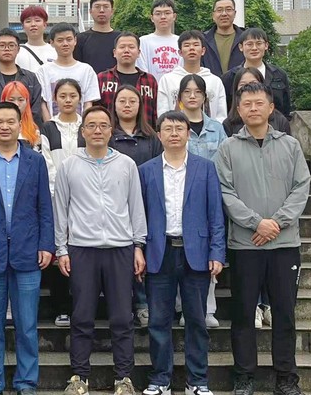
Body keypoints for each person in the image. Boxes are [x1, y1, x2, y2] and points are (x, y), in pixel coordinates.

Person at [216, 82, 310, 395]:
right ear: (238, 109)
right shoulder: (228, 148)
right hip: (246, 245)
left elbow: (301, 187)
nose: (253, 108)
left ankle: (286, 378)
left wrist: (277, 223)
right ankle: (244, 377)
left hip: (285, 245)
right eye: (247, 104)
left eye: (259, 103)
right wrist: (256, 222)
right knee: (243, 314)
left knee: (284, 314)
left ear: (271, 108)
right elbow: (225, 192)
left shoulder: (290, 145)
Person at [55, 105, 146, 395]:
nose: (97, 130)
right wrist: (61, 249)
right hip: (82, 248)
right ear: (83, 131)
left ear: (111, 131)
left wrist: (138, 245)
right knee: (82, 316)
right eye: (91, 125)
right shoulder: (69, 165)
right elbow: (61, 210)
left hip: (120, 248)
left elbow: (136, 207)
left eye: (103, 125)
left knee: (122, 317)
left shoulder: (126, 164)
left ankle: (124, 378)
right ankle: (79, 377)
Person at [0, 102, 54, 395]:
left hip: (27, 253)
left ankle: (26, 381)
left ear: (20, 124)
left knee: (27, 324)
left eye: (10, 121)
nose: (4, 126)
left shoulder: (35, 161)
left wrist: (46, 244)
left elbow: (44, 207)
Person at [138, 111, 226, 395]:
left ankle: (197, 381)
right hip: (159, 251)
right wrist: (138, 249)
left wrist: (217, 252)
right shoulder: (146, 170)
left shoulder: (206, 168)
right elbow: (139, 215)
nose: (174, 133)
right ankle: (160, 379)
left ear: (189, 133)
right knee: (158, 321)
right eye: (168, 129)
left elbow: (216, 214)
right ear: (159, 135)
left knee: (197, 321)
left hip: (196, 253)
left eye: (179, 128)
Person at [174, 74, 226, 329]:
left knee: (207, 254)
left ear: (205, 97)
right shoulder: (175, 126)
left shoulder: (217, 128)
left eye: (197, 92)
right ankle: (184, 308)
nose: (192, 96)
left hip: (209, 196)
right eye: (187, 91)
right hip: (178, 196)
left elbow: (224, 163)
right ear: (180, 97)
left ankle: (207, 308)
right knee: (180, 255)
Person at [108, 85, 163, 328]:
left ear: (141, 105)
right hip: (115, 204)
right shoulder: (109, 135)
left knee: (143, 253)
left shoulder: (151, 137)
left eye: (132, 100)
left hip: (147, 202)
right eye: (122, 101)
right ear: (114, 105)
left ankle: (143, 305)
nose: (127, 105)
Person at [40, 79, 85, 328]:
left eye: (72, 95)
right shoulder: (48, 128)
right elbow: (47, 163)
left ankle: (81, 306)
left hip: (85, 199)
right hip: (55, 196)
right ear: (55, 99)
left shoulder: (86, 126)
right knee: (60, 251)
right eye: (63, 96)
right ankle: (61, 308)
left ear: (80, 98)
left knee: (80, 253)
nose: (68, 100)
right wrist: (60, 192)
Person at [0, 28, 43, 127]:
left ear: (18, 49)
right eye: (2, 45)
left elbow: (36, 111)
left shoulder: (31, 78)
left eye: (11, 45)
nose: (7, 49)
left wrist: (19, 128)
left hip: (26, 132)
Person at [157, 30, 227, 123]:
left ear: (203, 51)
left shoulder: (215, 81)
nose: (191, 48)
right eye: (187, 45)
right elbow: (162, 112)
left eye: (196, 45)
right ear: (180, 52)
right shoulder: (167, 80)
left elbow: (221, 115)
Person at [36, 23, 101, 122]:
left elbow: (88, 103)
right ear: (52, 43)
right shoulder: (43, 71)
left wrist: (83, 125)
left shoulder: (87, 70)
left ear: (75, 41)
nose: (65, 44)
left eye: (69, 39)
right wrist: (49, 127)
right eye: (60, 40)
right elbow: (43, 104)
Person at [221, 28, 291, 118]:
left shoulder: (279, 75)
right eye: (249, 44)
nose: (254, 48)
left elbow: (286, 109)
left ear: (266, 46)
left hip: (275, 124)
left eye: (259, 43)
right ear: (241, 47)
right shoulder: (229, 77)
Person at [97, 31, 158, 128]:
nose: (126, 51)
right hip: (110, 134)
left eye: (131, 47)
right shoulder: (102, 79)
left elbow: (155, 113)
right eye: (122, 47)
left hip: (144, 134)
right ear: (114, 53)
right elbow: (96, 110)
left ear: (138, 53)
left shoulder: (150, 80)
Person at [222, 67, 290, 138]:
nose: (248, 88)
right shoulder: (228, 124)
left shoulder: (280, 120)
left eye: (253, 83)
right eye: (243, 85)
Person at [74, 0, 121, 73]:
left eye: (106, 7)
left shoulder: (121, 38)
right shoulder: (80, 39)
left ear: (112, 11)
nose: (101, 10)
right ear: (90, 11)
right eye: (97, 7)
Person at [137, 0, 181, 82]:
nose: (163, 17)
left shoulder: (181, 41)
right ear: (152, 18)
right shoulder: (143, 41)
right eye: (158, 14)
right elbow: (141, 69)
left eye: (167, 13)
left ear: (174, 16)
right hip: (151, 87)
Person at [201, 0, 245, 77]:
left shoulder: (245, 38)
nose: (224, 14)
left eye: (228, 9)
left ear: (235, 13)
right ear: (213, 15)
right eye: (219, 10)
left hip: (240, 84)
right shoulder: (202, 40)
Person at [0, 81, 40, 151]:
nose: (16, 104)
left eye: (21, 100)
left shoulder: (34, 131)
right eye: (11, 100)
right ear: (3, 101)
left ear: (27, 102)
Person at [15, 6, 56, 73]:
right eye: (28, 21)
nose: (33, 24)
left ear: (45, 24)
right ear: (23, 26)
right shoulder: (16, 52)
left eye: (37, 20)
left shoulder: (55, 51)